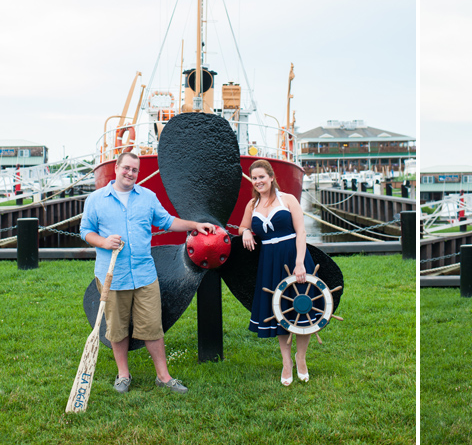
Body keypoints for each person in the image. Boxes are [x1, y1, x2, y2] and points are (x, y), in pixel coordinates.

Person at [80, 151, 217, 395]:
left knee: (153, 327)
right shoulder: (96, 199)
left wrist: (195, 225)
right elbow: (86, 231)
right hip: (113, 276)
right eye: (126, 168)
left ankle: (163, 377)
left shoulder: (147, 197)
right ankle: (123, 375)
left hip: (144, 275)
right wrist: (103, 242)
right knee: (117, 328)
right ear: (117, 168)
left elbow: (168, 222)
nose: (130, 173)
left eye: (134, 170)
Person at [240, 160, 321, 386]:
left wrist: (300, 263)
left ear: (271, 177)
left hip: (294, 256)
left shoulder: (289, 200)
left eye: (261, 177)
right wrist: (246, 231)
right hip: (270, 261)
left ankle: (301, 358)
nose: (258, 182)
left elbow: (301, 232)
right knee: (280, 311)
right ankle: (287, 362)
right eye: (254, 178)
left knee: (301, 308)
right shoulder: (251, 205)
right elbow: (241, 227)